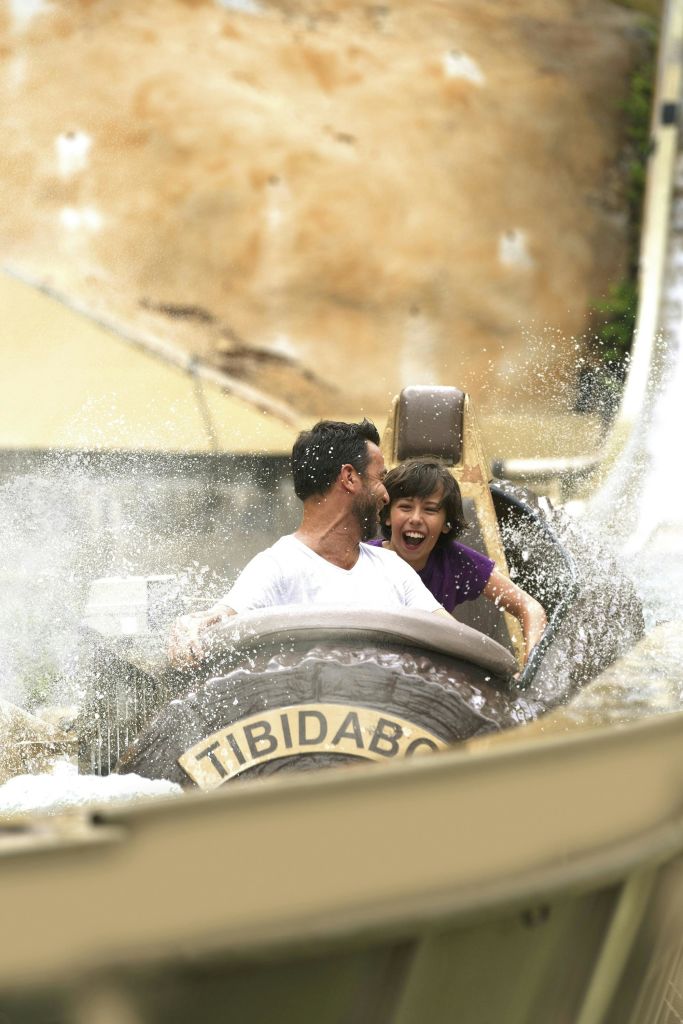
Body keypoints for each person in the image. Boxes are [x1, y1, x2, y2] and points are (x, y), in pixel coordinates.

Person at [169, 419, 446, 664]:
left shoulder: (392, 567)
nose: (386, 495)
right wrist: (192, 627)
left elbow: (453, 636)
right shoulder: (277, 567)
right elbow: (220, 618)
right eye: (380, 478)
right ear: (349, 478)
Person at [368, 456, 547, 665]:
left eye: (430, 509)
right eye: (406, 507)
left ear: (446, 524)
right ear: (387, 516)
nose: (415, 519)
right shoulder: (364, 560)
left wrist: (529, 663)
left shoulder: (454, 562)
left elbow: (529, 607)